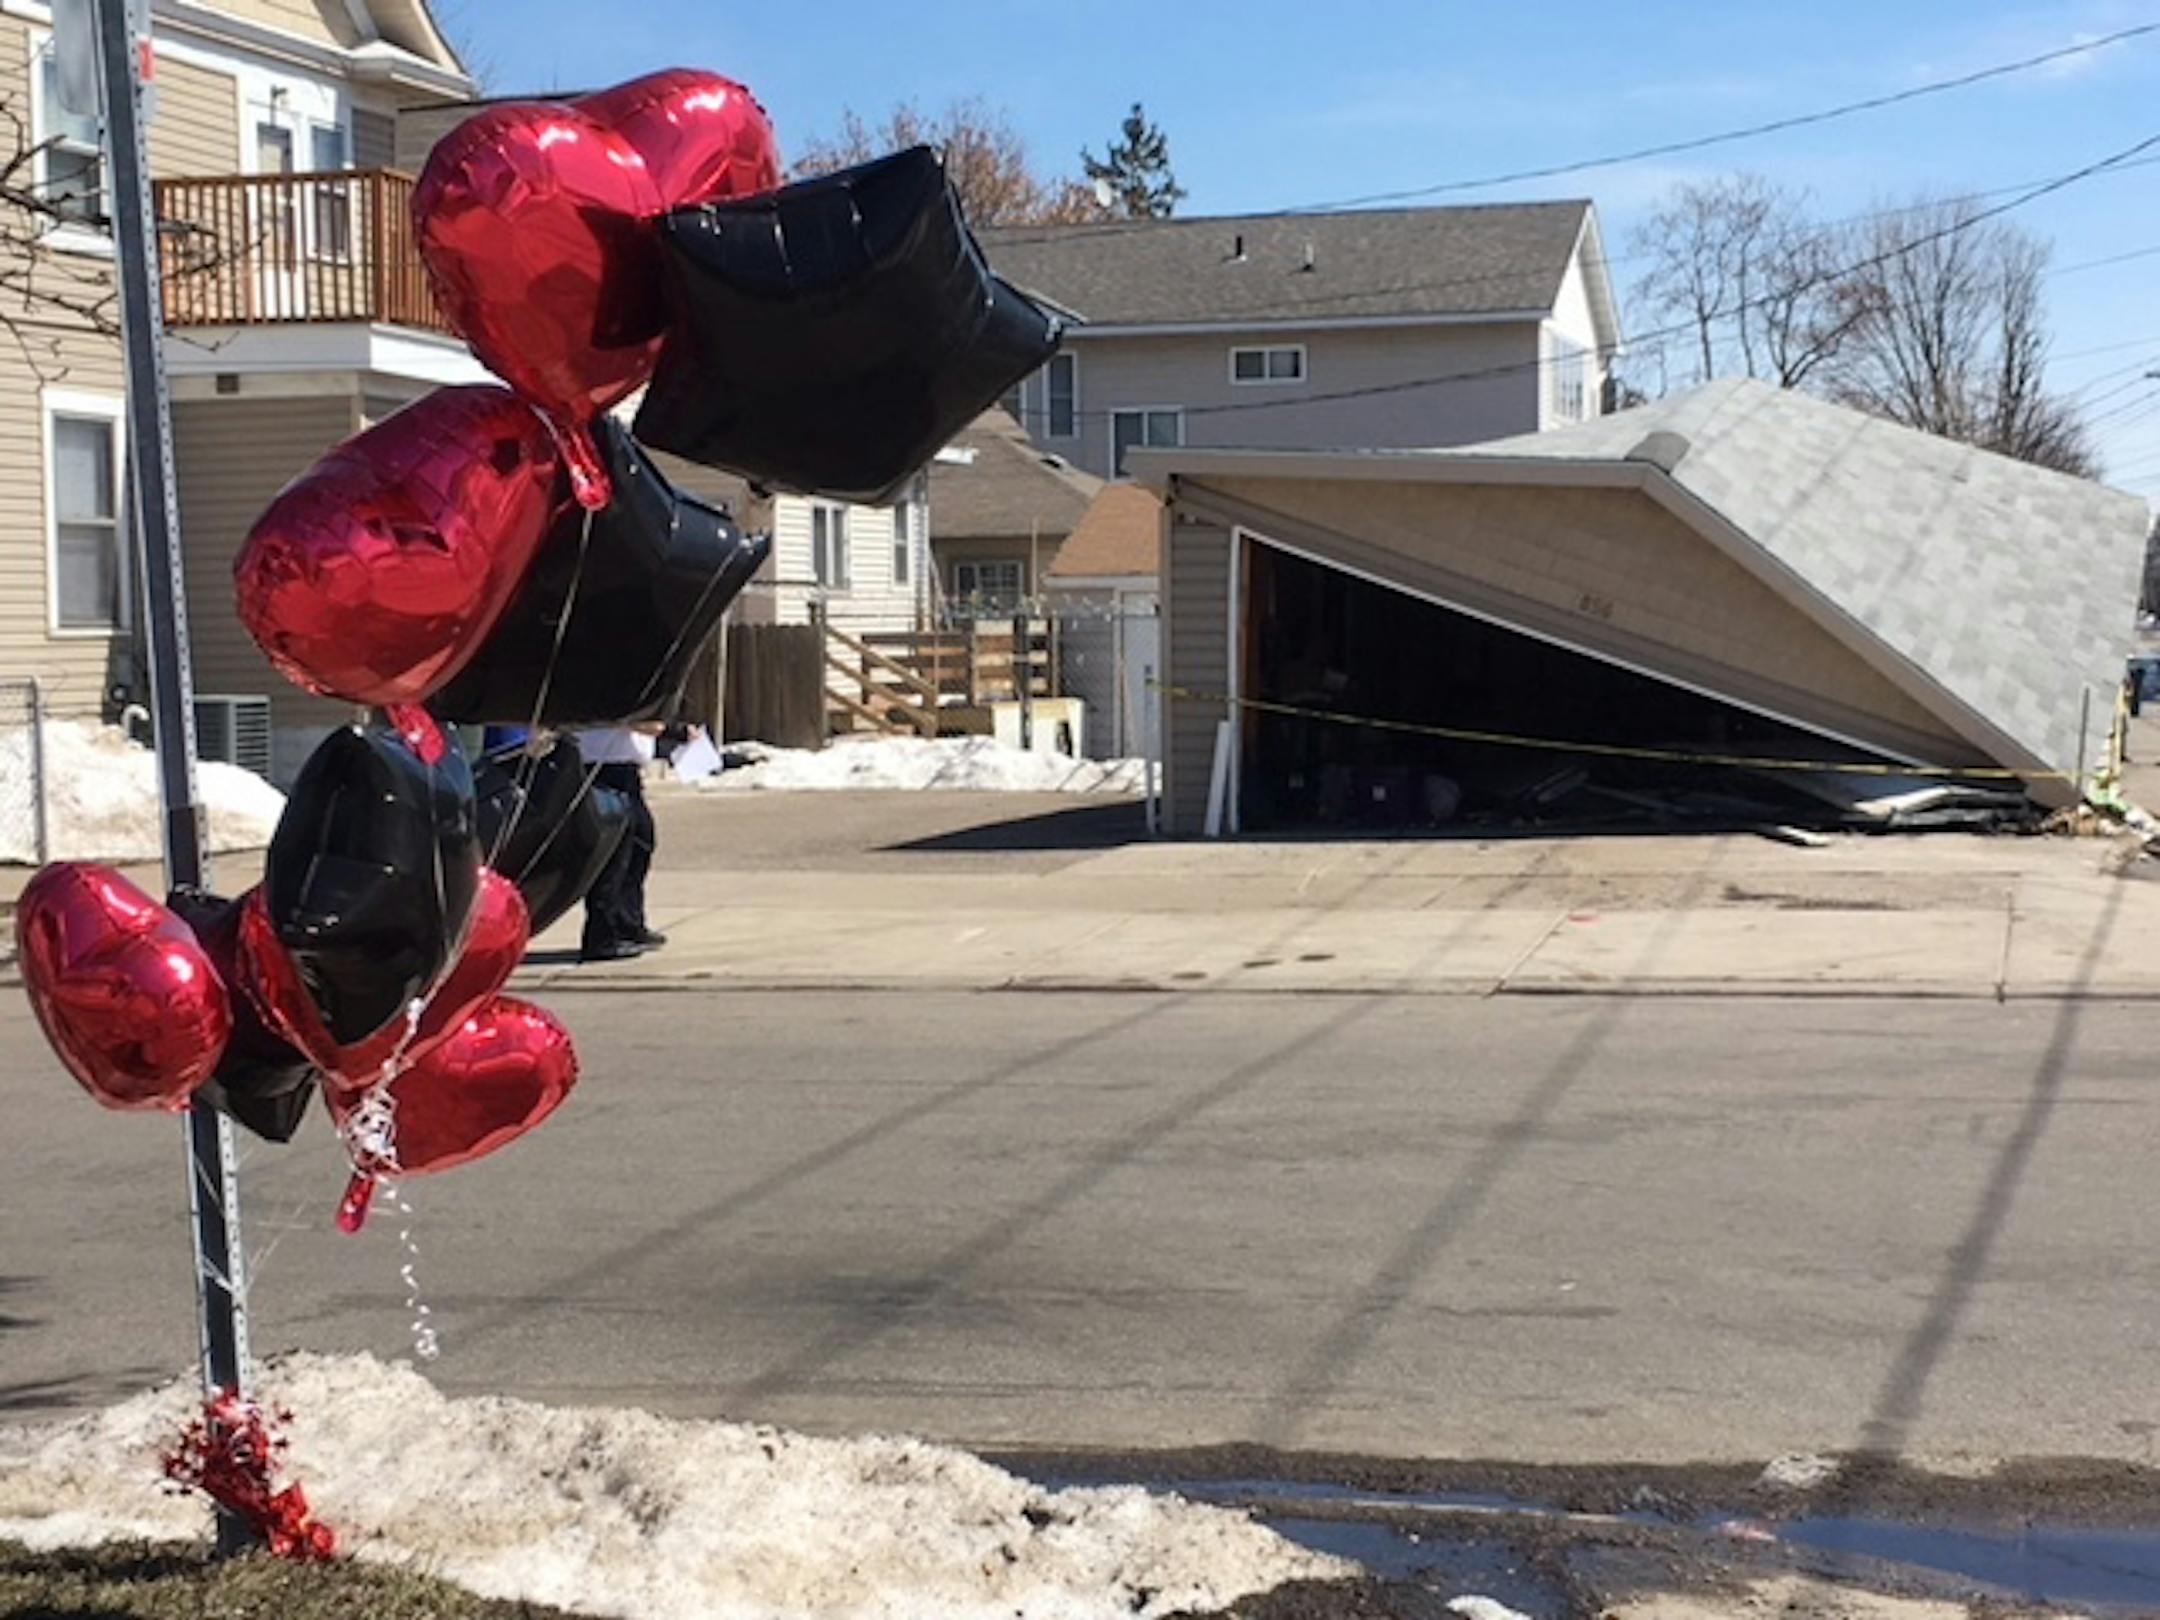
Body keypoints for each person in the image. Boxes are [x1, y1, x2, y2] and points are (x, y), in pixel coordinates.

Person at [575, 724, 663, 962]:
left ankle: (628, 924)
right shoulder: (608, 690)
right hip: (603, 769)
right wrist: (667, 729)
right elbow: (636, 720)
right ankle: (601, 938)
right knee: (613, 856)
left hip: (625, 771)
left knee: (639, 844)